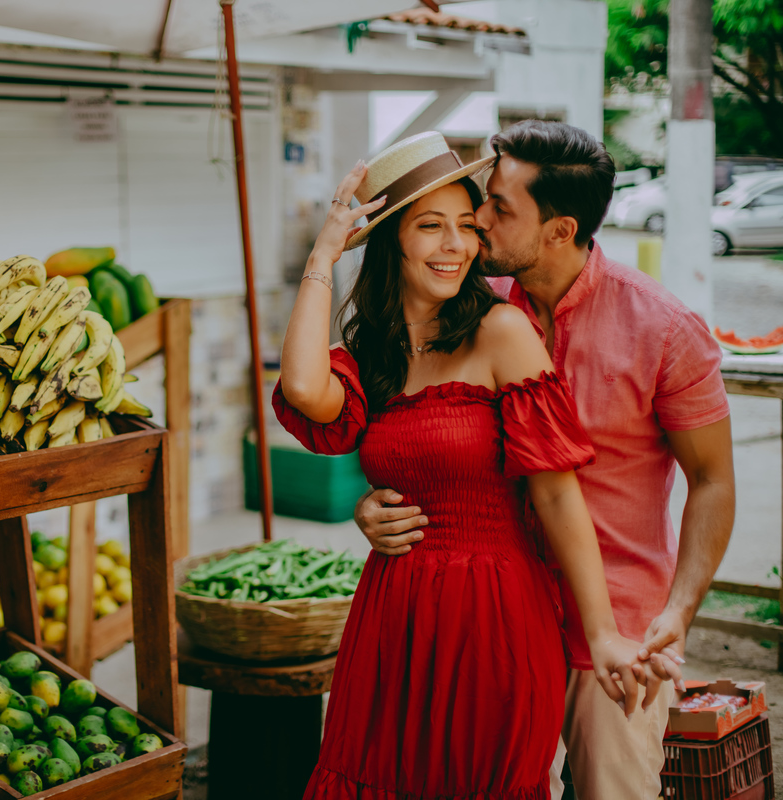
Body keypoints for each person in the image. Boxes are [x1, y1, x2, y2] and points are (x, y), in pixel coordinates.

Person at [352, 121, 735, 800]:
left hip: (614, 632)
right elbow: (414, 421)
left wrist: (678, 611)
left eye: (500, 209)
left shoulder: (665, 329)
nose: (478, 219)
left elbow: (712, 480)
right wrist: (377, 500)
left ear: (559, 231)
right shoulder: (471, 304)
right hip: (492, 618)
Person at [274, 131, 654, 800]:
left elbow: (558, 498)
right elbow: (305, 390)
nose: (455, 245)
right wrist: (324, 253)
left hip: (495, 614)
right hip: (394, 619)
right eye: (430, 227)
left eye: (465, 227)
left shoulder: (501, 332)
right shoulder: (375, 354)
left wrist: (602, 636)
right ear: (393, 239)